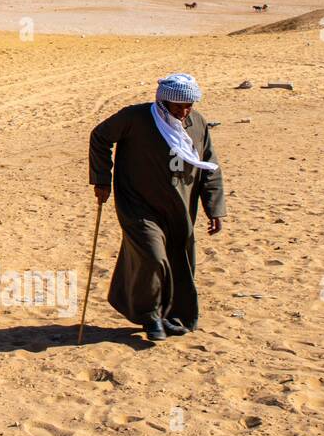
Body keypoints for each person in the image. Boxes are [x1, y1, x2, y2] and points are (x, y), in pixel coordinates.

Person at [89, 73, 226, 342]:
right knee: (152, 257)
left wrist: (214, 207)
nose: (184, 111)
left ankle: (172, 315)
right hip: (138, 205)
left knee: (178, 260)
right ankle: (149, 316)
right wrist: (102, 179)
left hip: (180, 208)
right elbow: (100, 137)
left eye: (189, 105)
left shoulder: (196, 123)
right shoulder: (136, 118)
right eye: (177, 106)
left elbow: (209, 166)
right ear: (162, 101)